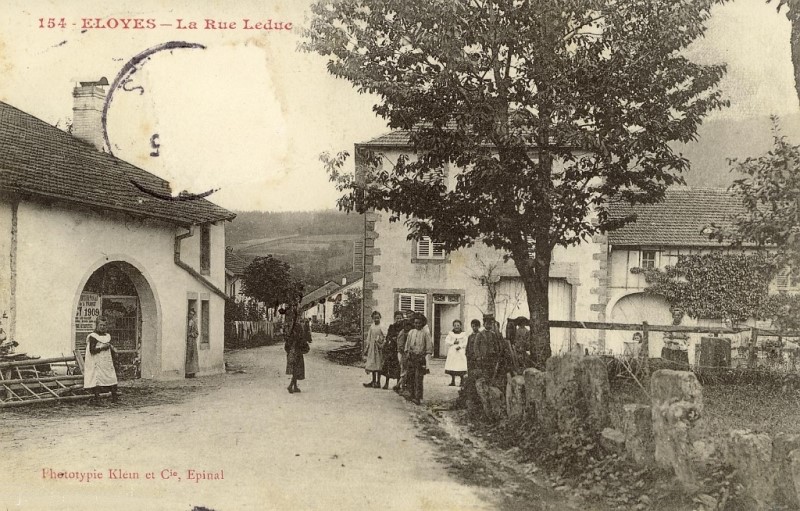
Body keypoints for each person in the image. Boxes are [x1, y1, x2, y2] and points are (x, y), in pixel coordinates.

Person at [83, 316, 119, 405]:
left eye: (104, 325)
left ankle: (115, 398)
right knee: (97, 380)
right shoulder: (93, 336)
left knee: (112, 378)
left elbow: (109, 346)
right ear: (97, 325)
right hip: (97, 362)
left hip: (106, 362)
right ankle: (97, 399)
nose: (102, 327)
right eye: (101, 325)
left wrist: (113, 349)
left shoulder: (107, 336)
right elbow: (92, 350)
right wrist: (102, 347)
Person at [404, 314, 433, 405]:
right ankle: (411, 394)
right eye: (416, 323)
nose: (417, 325)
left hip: (420, 358)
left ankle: (417, 397)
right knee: (410, 376)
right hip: (411, 357)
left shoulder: (425, 333)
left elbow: (429, 347)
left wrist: (426, 357)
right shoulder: (411, 332)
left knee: (418, 378)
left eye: (419, 323)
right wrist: (407, 353)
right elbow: (407, 345)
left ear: (422, 323)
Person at [285, 314, 310, 394]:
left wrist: (288, 351)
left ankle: (295, 387)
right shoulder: (298, 327)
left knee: (295, 369)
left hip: (291, 351)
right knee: (297, 369)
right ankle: (290, 386)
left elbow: (287, 341)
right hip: (297, 351)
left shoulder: (290, 327)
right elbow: (301, 338)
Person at [381, 311, 404, 390]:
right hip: (392, 349)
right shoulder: (392, 327)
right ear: (394, 319)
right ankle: (386, 383)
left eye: (400, 318)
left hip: (399, 349)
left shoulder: (404, 327)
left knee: (399, 366)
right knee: (389, 366)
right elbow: (388, 336)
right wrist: (392, 338)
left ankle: (398, 385)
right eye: (397, 318)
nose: (399, 320)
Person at [363, 311, 385, 388]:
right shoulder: (372, 327)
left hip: (379, 348)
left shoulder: (382, 326)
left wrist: (381, 342)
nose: (376, 320)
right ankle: (373, 381)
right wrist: (367, 347)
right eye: (375, 318)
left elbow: (385, 336)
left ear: (380, 318)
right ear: (372, 318)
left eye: (378, 318)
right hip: (372, 348)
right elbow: (369, 337)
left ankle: (378, 382)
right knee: (373, 364)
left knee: (378, 364)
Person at [444, 319, 468, 387]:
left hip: (460, 352)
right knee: (453, 366)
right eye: (455, 325)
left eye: (458, 325)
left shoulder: (463, 334)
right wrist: (453, 342)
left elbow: (465, 342)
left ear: (460, 326)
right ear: (453, 326)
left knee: (460, 366)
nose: (456, 327)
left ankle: (462, 381)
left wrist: (460, 346)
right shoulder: (450, 334)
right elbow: (446, 341)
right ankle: (453, 381)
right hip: (453, 352)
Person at [394, 317, 413, 393]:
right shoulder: (403, 333)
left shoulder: (406, 332)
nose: (408, 327)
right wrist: (406, 354)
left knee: (405, 370)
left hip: (403, 353)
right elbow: (401, 346)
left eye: (409, 325)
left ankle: (400, 385)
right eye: (406, 325)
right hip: (402, 354)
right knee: (404, 370)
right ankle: (400, 386)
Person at [185, 307, 200, 378]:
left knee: (192, 357)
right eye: (190, 314)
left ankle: (192, 372)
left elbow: (197, 333)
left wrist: (191, 334)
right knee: (188, 357)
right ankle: (187, 372)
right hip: (188, 342)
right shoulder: (186, 322)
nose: (190, 315)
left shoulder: (194, 323)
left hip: (192, 342)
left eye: (192, 314)